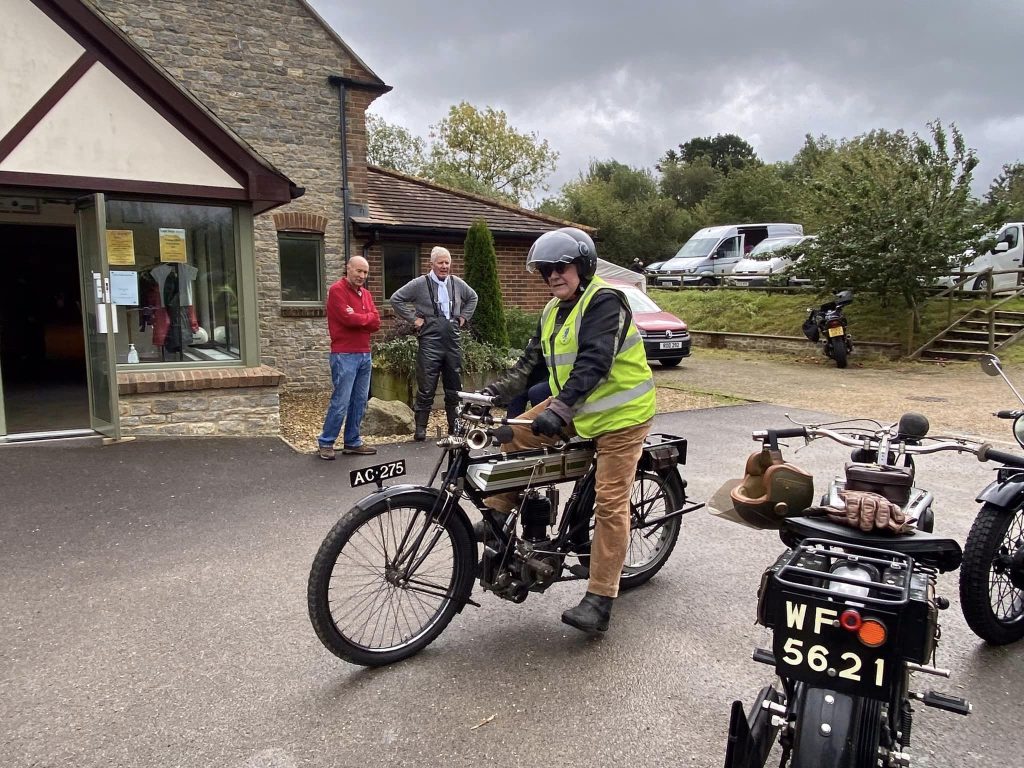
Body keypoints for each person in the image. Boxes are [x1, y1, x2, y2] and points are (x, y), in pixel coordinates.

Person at [481, 227, 655, 633]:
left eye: (561, 267)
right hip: (578, 406)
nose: (554, 275)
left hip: (622, 414)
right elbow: (528, 366)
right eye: (546, 270)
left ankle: (600, 598)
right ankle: (499, 516)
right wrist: (490, 394)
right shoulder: (551, 311)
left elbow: (595, 363)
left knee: (610, 503)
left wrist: (559, 409)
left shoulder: (606, 301)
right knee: (514, 434)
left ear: (583, 266)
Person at [390, 246, 478, 440]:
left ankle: (454, 427)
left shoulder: (457, 283)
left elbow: (473, 297)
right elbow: (396, 299)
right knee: (427, 385)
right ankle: (420, 429)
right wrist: (414, 319)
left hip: (453, 338)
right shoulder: (420, 283)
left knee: (454, 386)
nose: (444, 266)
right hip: (430, 339)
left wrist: (463, 317)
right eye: (440, 263)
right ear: (432, 264)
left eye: (447, 262)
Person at [317, 255, 380, 460]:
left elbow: (376, 322)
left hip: (364, 353)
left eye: (365, 272)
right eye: (359, 271)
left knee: (360, 401)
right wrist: (365, 318)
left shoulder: (366, 294)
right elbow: (347, 319)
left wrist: (361, 318)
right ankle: (326, 442)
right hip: (344, 354)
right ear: (348, 269)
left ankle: (352, 441)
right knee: (341, 401)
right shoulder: (337, 290)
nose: (362, 275)